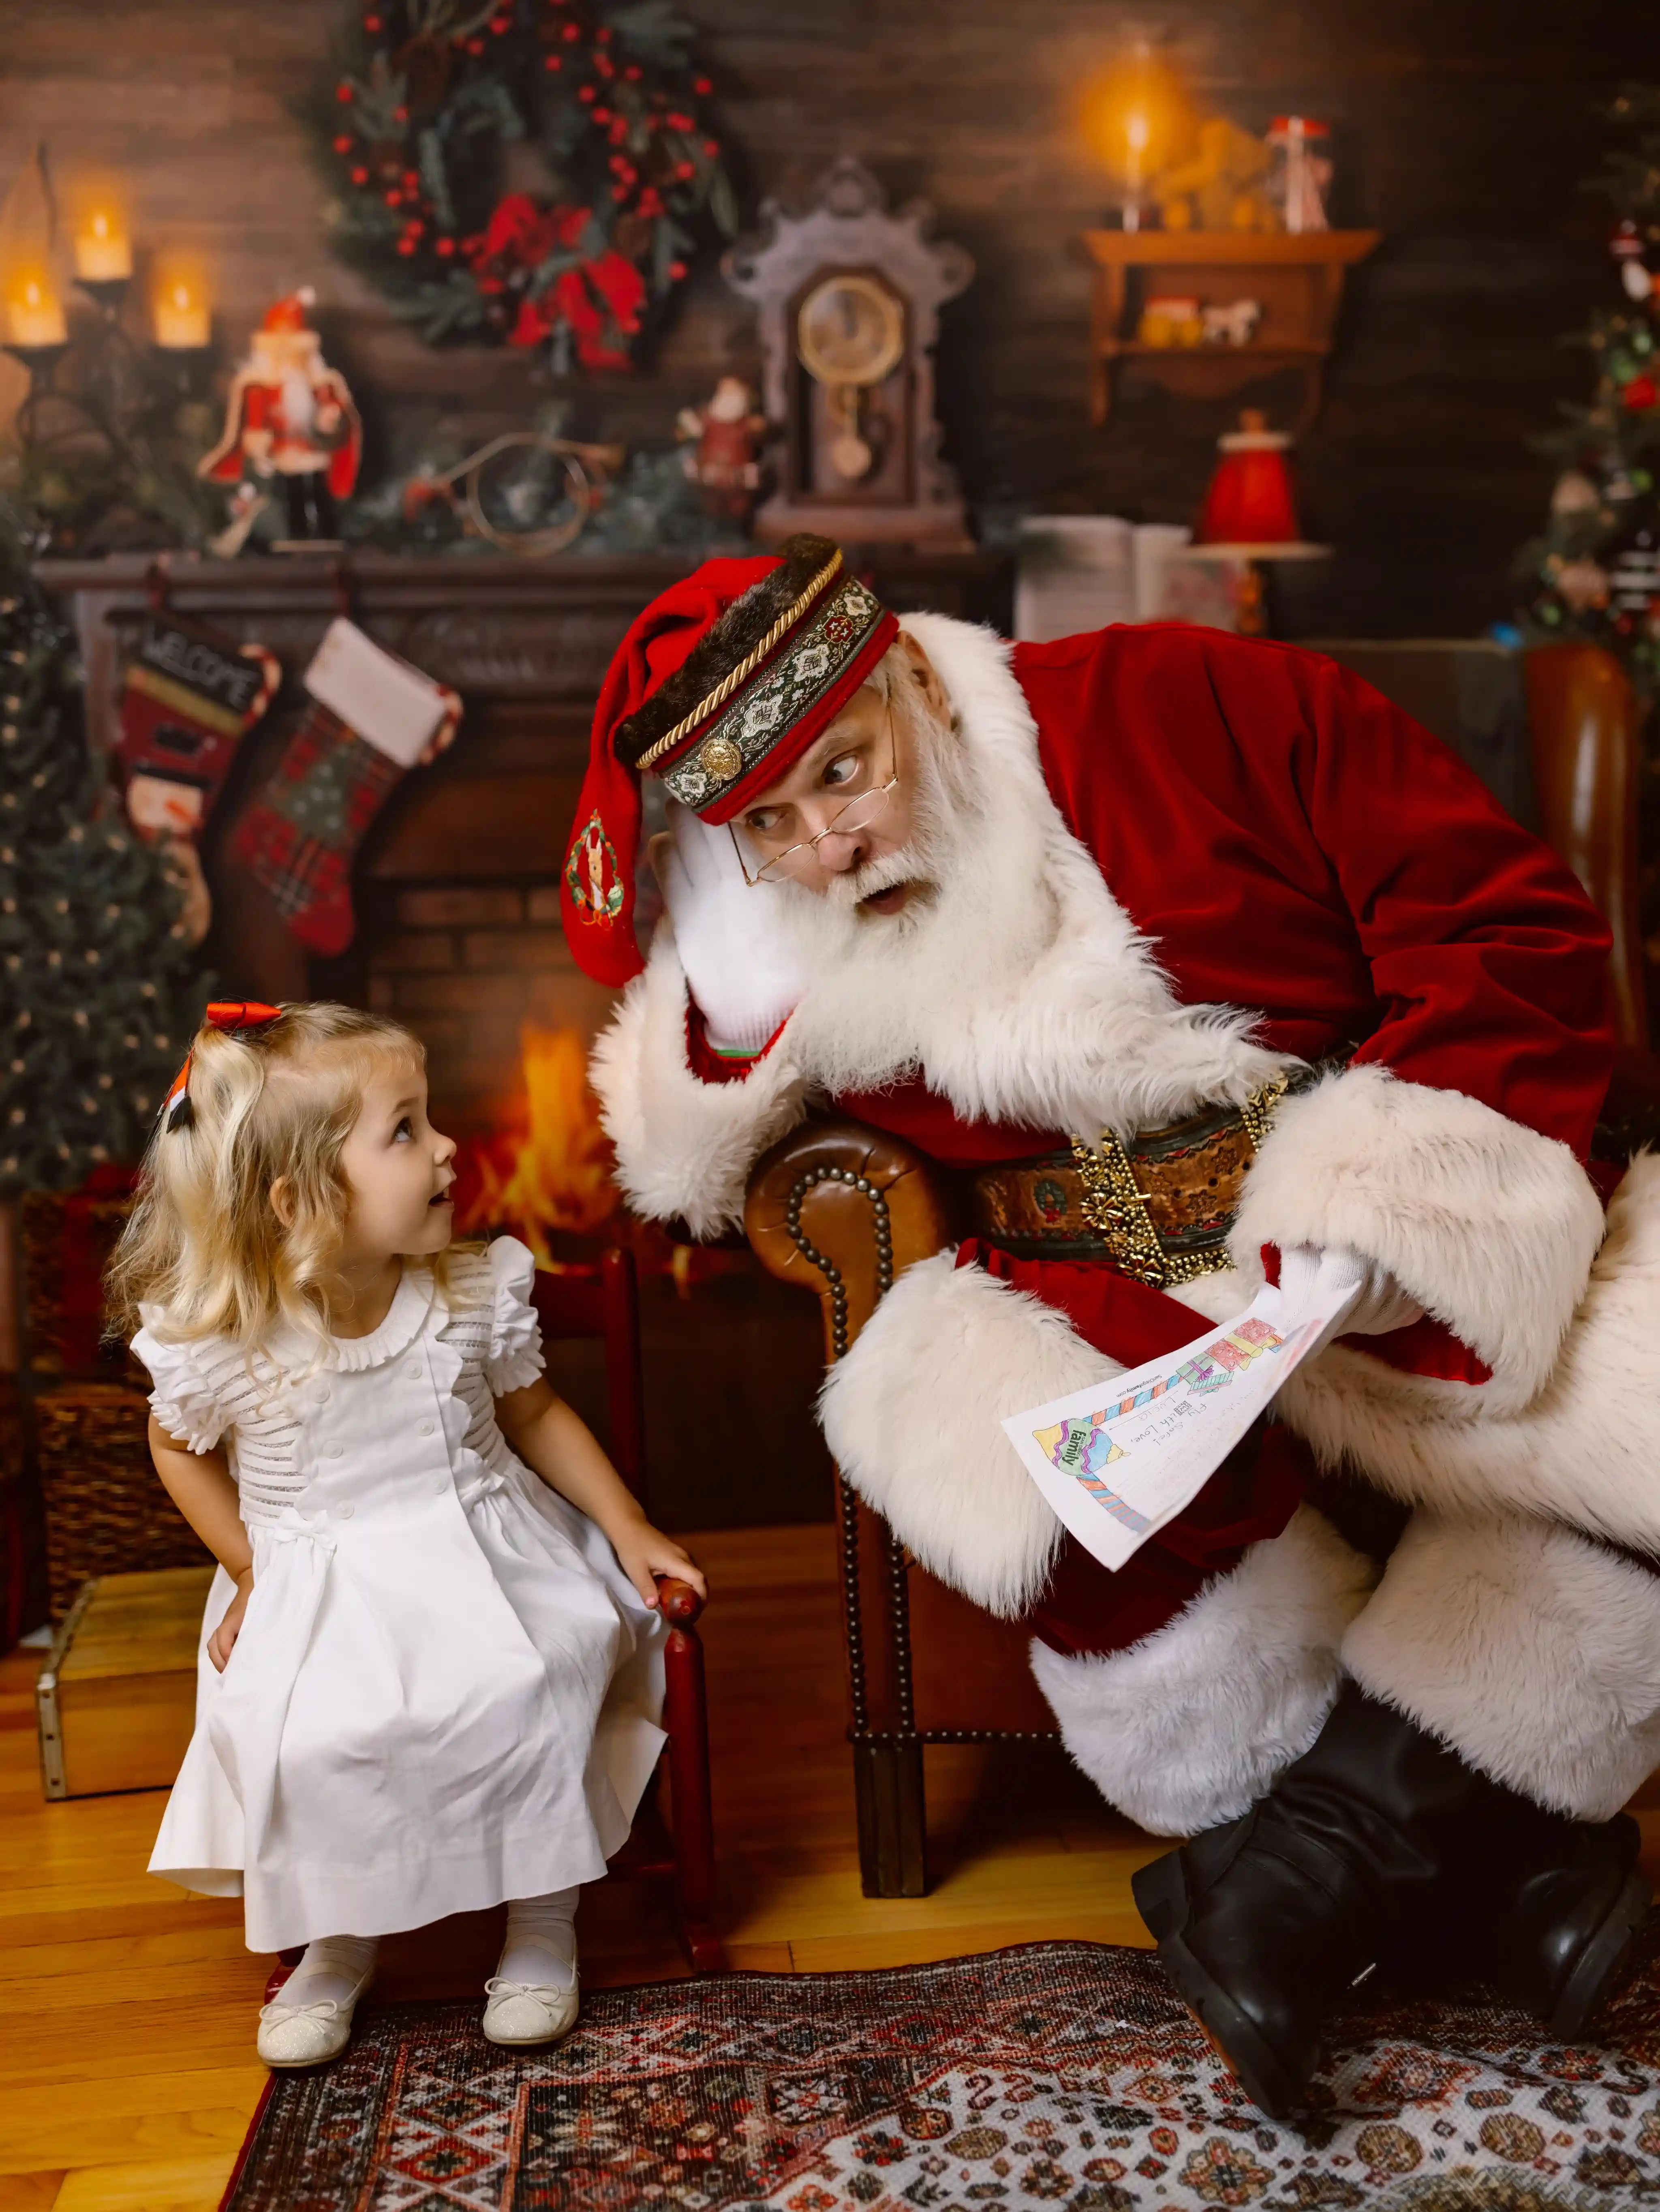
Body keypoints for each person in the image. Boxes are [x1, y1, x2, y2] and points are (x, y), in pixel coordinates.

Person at [561, 535, 1660, 2117]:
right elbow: (690, 1146)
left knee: (1640, 1403)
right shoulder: (792, 941)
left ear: (918, 682)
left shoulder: (1183, 699)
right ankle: (1491, 1877)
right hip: (1105, 1298)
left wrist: (1386, 1211)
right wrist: (724, 1019)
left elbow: (1497, 922)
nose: (828, 844)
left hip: (1368, 1218)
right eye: (771, 829)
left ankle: (1289, 1887)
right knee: (1031, 1481)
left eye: (845, 774)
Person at [108, 1000, 702, 2069]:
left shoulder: (469, 1294)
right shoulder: (235, 1332)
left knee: (525, 1683)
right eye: (404, 1130)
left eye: (428, 1119)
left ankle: (540, 1914)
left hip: (484, 1551)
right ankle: (336, 1938)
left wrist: (626, 1525)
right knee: (317, 1730)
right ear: (298, 1202)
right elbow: (178, 1447)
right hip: (317, 1571)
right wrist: (251, 1568)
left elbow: (532, 1413)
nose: (447, 1147)